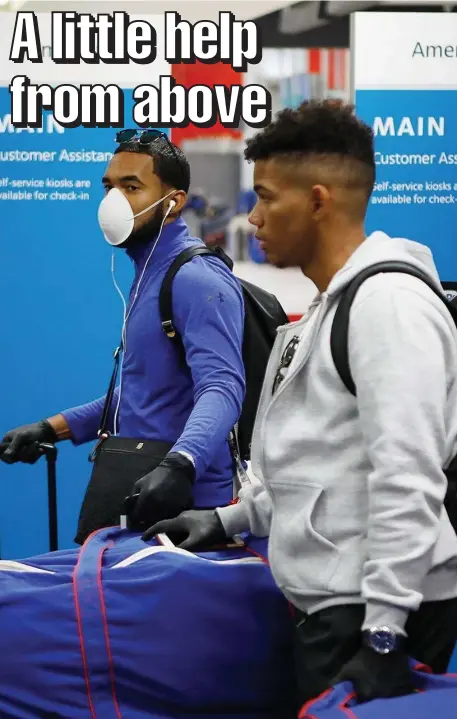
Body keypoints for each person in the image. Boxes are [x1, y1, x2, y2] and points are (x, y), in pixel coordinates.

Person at [144, 102, 457, 707]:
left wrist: (386, 633)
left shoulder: (386, 307)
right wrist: (228, 519)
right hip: (339, 604)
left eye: (265, 198)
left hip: (373, 613)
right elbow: (316, 459)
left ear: (318, 201)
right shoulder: (327, 309)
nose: (253, 217)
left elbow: (408, 475)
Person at [0, 130, 245, 528]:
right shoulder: (148, 271)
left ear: (174, 203)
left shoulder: (196, 280)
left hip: (185, 507)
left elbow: (223, 387)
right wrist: (52, 428)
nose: (114, 200)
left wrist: (181, 465)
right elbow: (144, 393)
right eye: (109, 187)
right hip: (138, 483)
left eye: (131, 187)